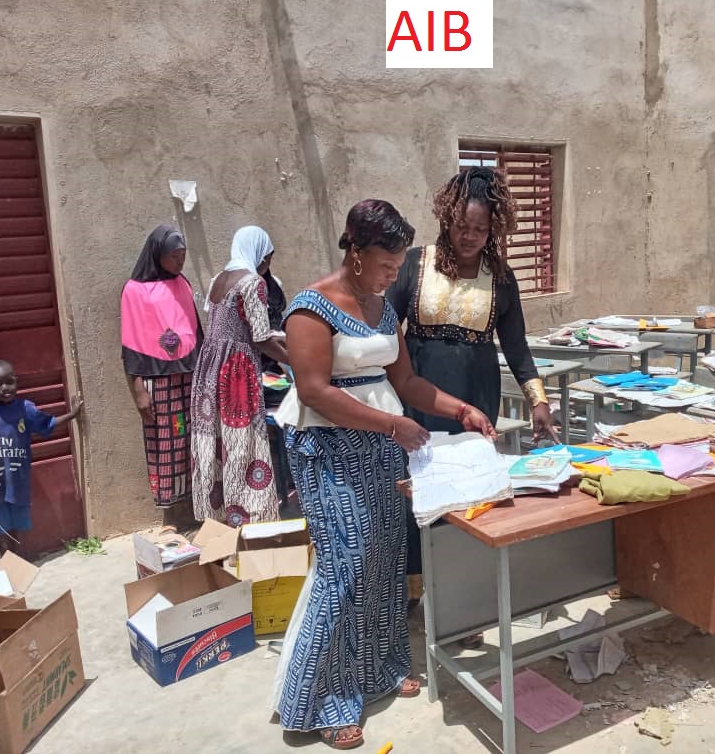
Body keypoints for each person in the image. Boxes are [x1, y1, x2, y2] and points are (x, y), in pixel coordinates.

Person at [271, 199, 496, 750]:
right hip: (330, 447)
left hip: (381, 448)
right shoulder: (310, 307)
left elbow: (408, 382)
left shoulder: (381, 308)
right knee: (344, 570)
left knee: (384, 558)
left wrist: (458, 408)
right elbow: (314, 390)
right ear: (355, 253)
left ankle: (378, 670)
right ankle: (321, 698)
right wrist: (392, 426)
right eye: (386, 264)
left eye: (398, 267)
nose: (394, 274)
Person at [386, 165, 558, 618]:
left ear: (493, 229)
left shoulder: (501, 277)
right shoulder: (414, 265)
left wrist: (538, 400)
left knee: (468, 493)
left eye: (480, 230)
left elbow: (517, 347)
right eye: (462, 226)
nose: (469, 236)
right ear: (447, 219)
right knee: (416, 488)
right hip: (417, 394)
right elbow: (386, 330)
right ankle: (414, 592)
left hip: (476, 397)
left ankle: (462, 598)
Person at [190, 225, 286, 526]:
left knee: (214, 442)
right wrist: (293, 361)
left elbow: (229, 325)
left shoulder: (219, 279)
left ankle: (215, 520)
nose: (266, 266)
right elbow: (260, 338)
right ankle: (250, 519)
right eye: (266, 259)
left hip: (209, 369)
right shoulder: (253, 283)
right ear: (258, 254)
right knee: (242, 442)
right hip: (237, 372)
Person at [121, 225, 202, 524]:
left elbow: (194, 330)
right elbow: (132, 341)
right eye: (174, 257)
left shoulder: (183, 283)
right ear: (158, 255)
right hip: (158, 379)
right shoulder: (134, 289)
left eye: (183, 256)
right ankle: (173, 516)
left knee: (193, 439)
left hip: (188, 376)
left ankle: (198, 511)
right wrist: (139, 390)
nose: (179, 263)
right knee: (166, 443)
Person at [0, 360, 83, 557]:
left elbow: (47, 423)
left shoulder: (25, 408)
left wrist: (72, 414)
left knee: (17, 519)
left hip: (17, 479)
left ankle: (15, 558)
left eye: (9, 382)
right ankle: (7, 559)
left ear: (16, 381)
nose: (4, 388)